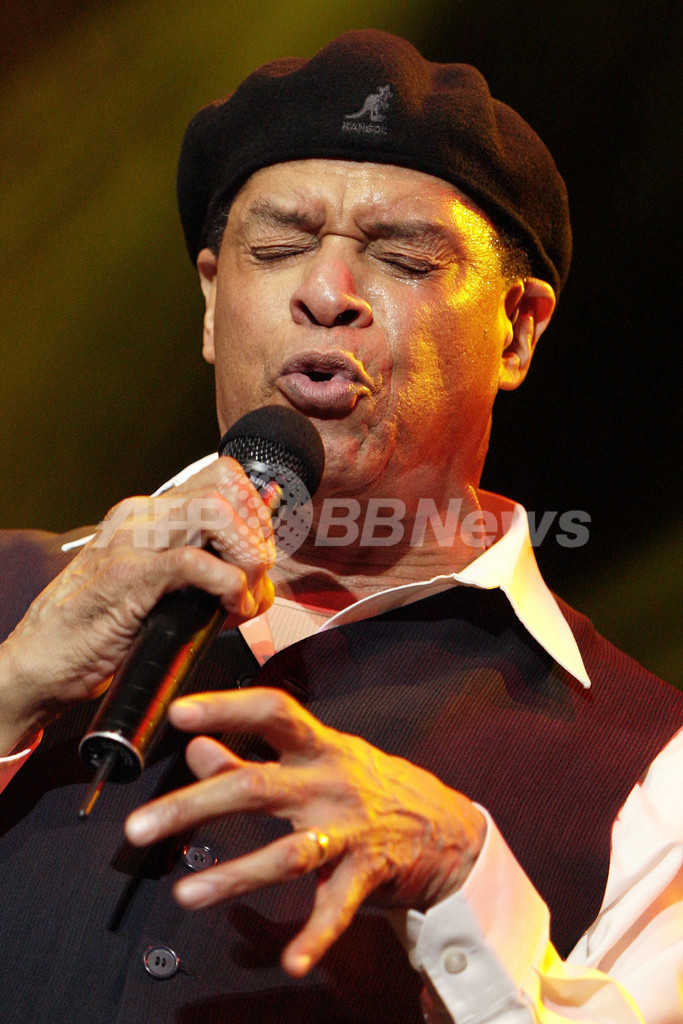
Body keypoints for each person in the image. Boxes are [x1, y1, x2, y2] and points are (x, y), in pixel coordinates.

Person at [0, 29, 681, 1024]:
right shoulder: (14, 590)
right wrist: (14, 684)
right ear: (209, 301)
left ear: (516, 329)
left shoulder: (648, 769)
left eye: (401, 257)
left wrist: (463, 882)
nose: (325, 294)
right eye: (278, 249)